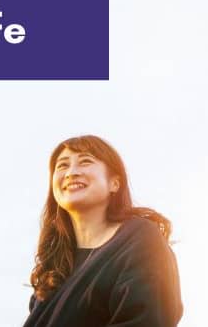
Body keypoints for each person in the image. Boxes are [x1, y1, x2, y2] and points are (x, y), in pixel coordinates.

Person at [24, 135, 183, 327]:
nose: (71, 172)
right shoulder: (54, 268)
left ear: (114, 183)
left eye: (85, 162)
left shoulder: (140, 239)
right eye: (62, 166)